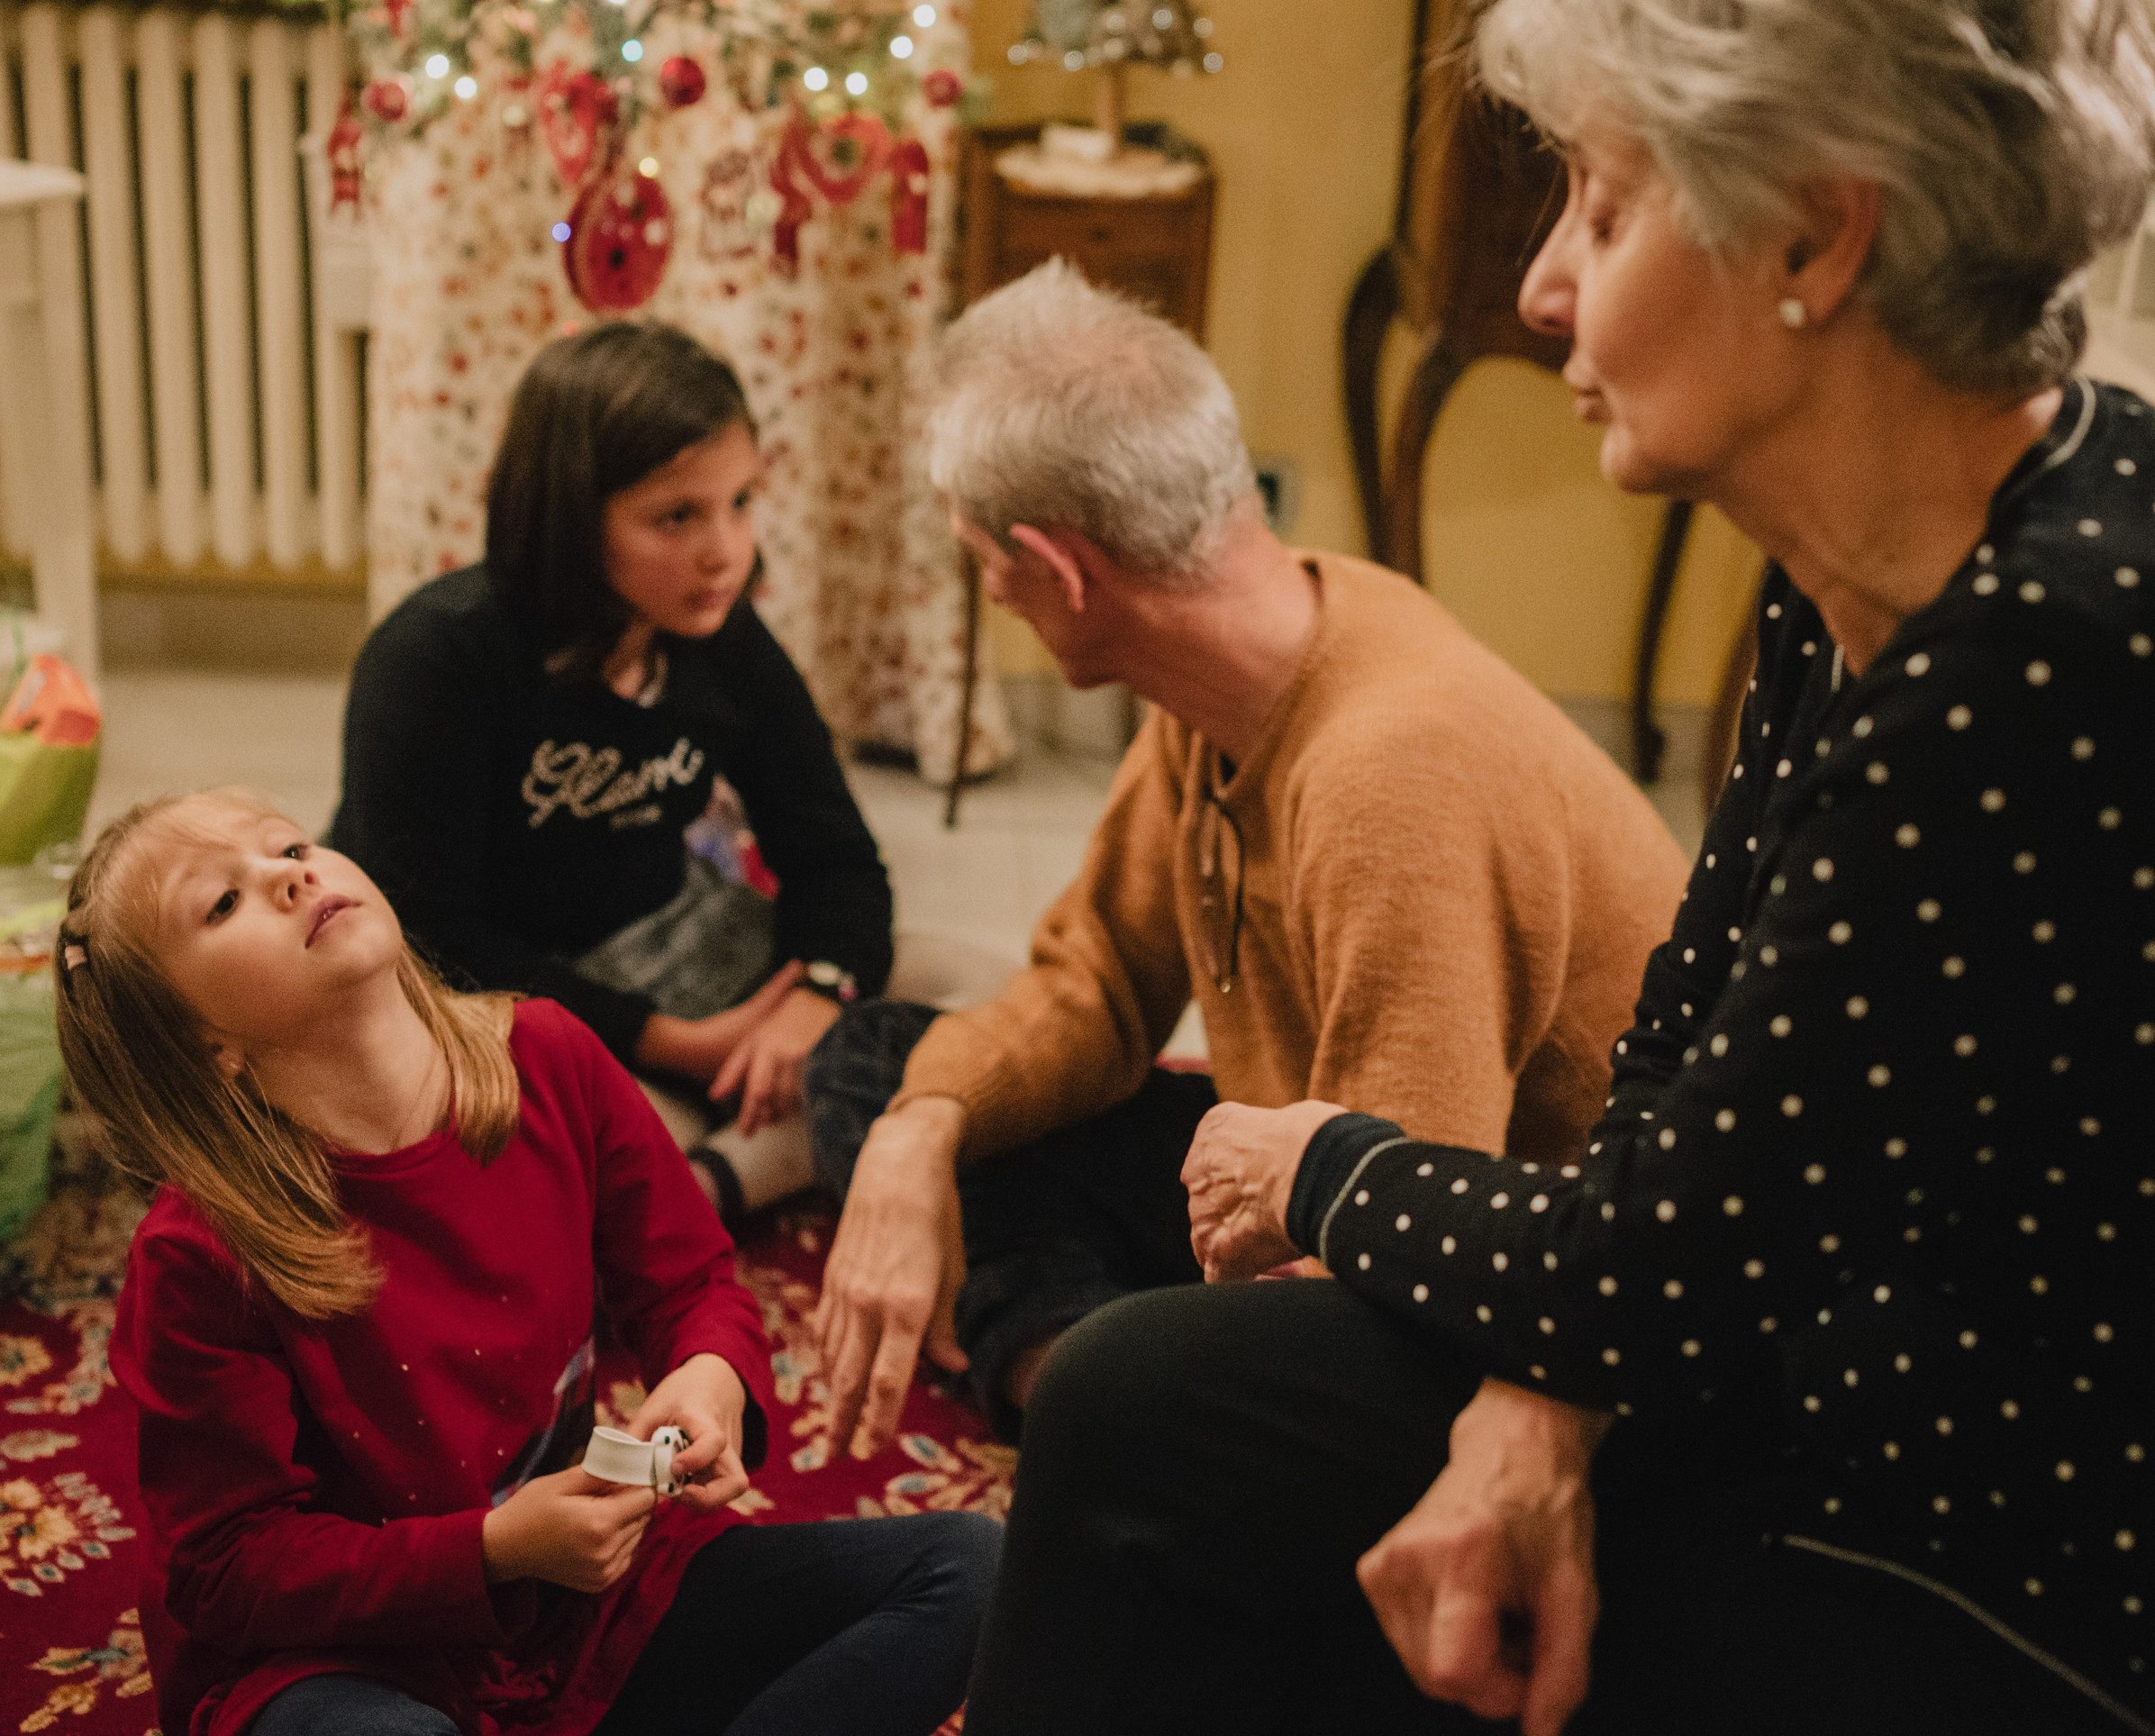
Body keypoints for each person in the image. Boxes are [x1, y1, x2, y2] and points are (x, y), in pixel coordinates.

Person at [962, 3, 2155, 1732]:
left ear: (1817, 237)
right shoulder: (1871, 564)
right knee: (1155, 1396)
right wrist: (1529, 1416)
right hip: (1798, 1352)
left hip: (1985, 1541)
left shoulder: (2039, 657)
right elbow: (1677, 1060)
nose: (1540, 287)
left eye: (1599, 210)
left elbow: (1660, 1260)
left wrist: (1318, 1165)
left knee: (1183, 1441)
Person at [806, 260, 1691, 1451]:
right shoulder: (1246, 655)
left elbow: (1400, 1243)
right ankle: (1089, 1372)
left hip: (1495, 1303)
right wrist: (923, 1126)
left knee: (1159, 1357)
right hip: (1286, 1171)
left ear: (1061, 569)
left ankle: (1094, 1390)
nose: (989, 587)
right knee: (879, 1069)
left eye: (984, 557)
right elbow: (1101, 983)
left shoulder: (1390, 775)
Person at [62, 790, 998, 1736]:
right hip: (351, 1658)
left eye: (289, 844)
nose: (289, 873)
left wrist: (710, 1379)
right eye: (222, 902)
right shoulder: (197, 1254)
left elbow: (693, 1284)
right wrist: (494, 1549)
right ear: (200, 1044)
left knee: (976, 1568)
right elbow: (227, 1566)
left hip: (590, 1610)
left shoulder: (548, 1053)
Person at [329, 322, 892, 1226]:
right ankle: (718, 1173)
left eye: (741, 502)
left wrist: (819, 994)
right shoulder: (436, 657)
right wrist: (673, 1044)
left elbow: (838, 860)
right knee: (533, 1159)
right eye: (679, 515)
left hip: (673, 944)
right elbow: (427, 936)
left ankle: (700, 1186)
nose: (726, 550)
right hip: (492, 997)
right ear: (568, 513)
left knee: (961, 1014)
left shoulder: (722, 635)